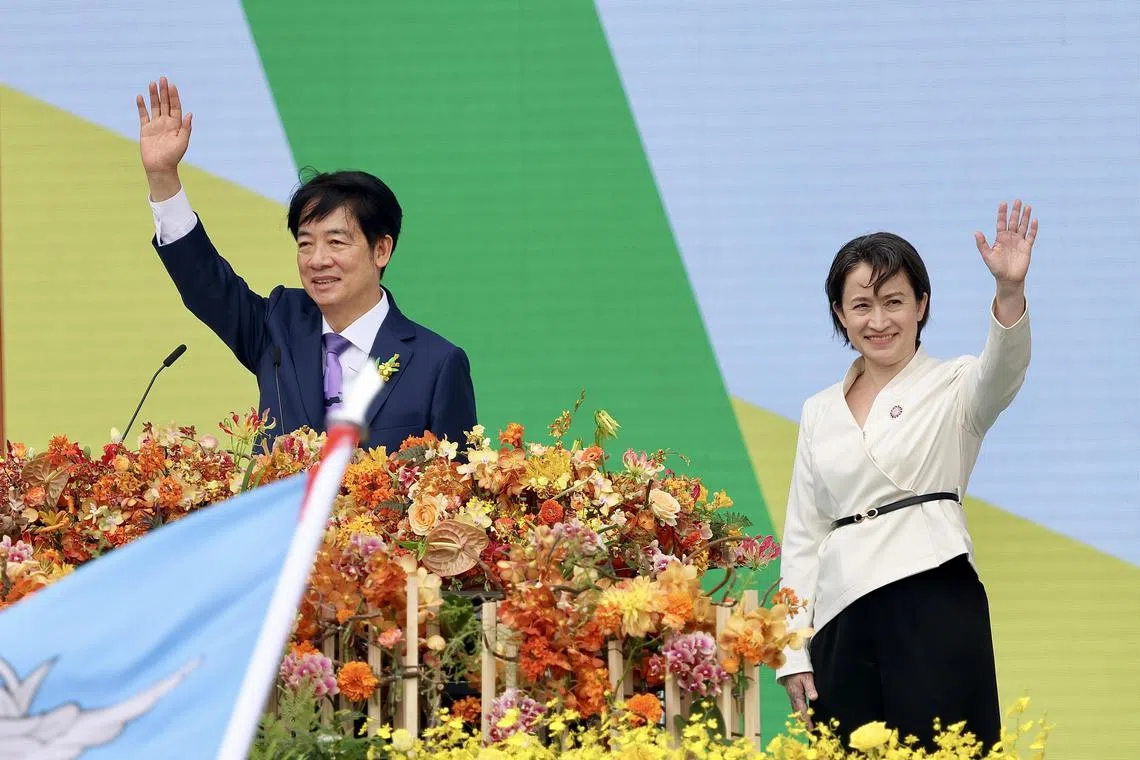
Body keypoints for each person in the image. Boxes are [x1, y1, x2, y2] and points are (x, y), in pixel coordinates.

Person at [776, 201, 1037, 750]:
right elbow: (803, 536)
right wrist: (791, 650)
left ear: (922, 305)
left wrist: (1009, 291)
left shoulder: (956, 383)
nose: (878, 321)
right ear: (839, 314)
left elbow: (1004, 369)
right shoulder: (818, 409)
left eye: (893, 302)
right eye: (861, 305)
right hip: (840, 613)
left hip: (933, 595)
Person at [135, 77, 477, 451]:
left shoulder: (436, 364)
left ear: (381, 250)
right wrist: (162, 177)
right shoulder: (279, 326)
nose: (317, 260)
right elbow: (205, 285)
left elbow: (454, 482)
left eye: (336, 242)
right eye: (305, 243)